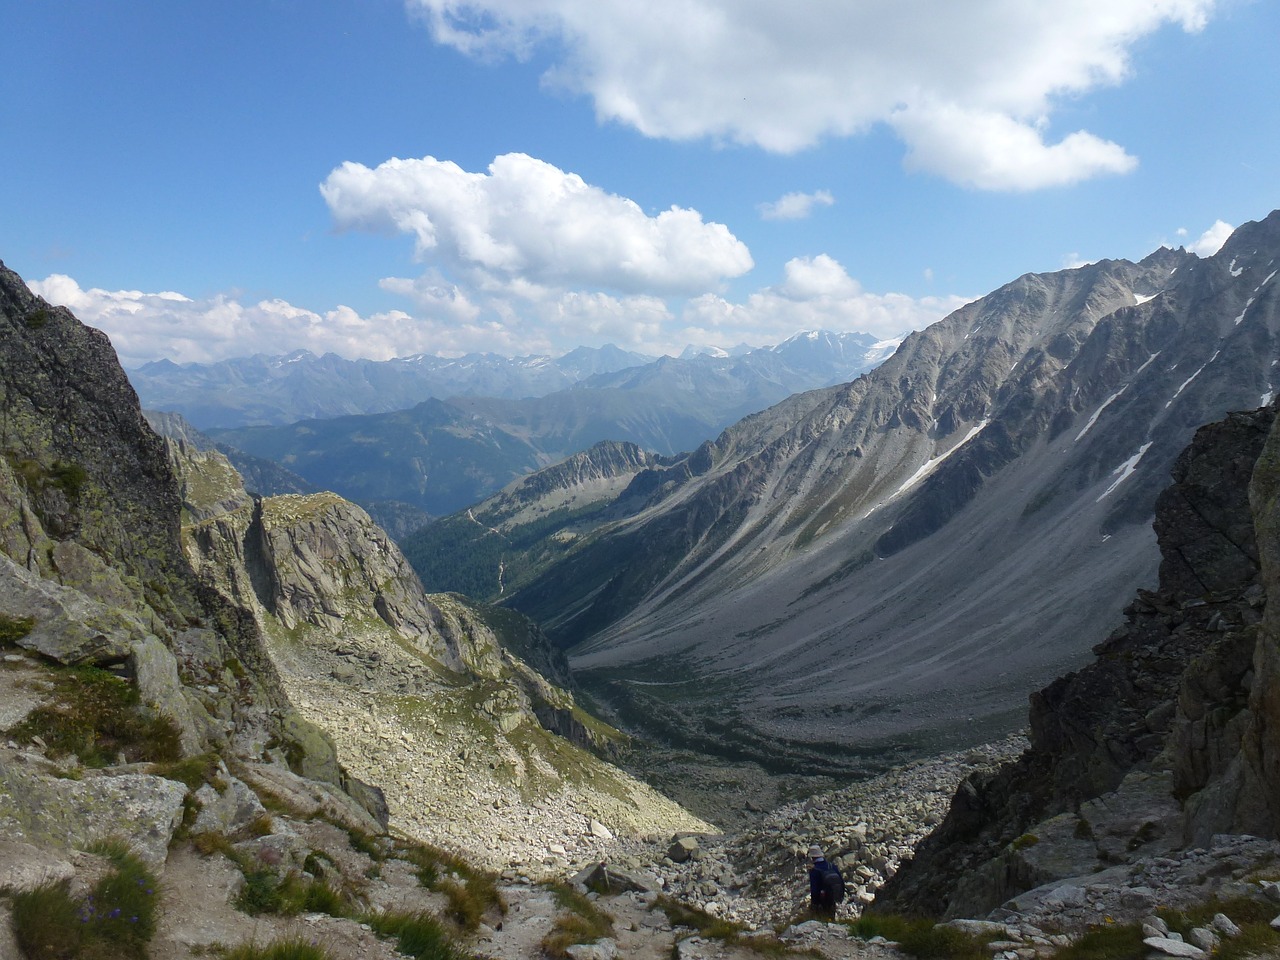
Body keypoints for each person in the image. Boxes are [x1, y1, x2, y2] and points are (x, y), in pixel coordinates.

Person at [807, 844, 844, 919]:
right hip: (833, 898)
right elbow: (841, 882)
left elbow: (814, 889)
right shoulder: (832, 866)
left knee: (822, 921)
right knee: (831, 918)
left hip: (822, 900)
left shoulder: (814, 870)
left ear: (812, 857)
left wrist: (814, 904)